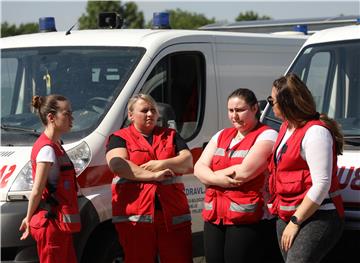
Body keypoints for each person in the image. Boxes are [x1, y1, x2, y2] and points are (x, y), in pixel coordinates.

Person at [105, 94, 193, 263]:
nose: (150, 114)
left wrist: (160, 164)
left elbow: (187, 162)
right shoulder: (119, 138)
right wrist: (153, 175)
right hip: (136, 218)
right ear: (131, 115)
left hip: (172, 215)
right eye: (144, 110)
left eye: (153, 110)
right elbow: (118, 165)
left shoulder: (171, 135)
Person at [267, 73, 345, 263]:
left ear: (286, 102)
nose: (269, 104)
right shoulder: (286, 128)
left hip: (318, 216)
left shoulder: (315, 132)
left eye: (272, 99)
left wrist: (296, 221)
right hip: (287, 214)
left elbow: (322, 184)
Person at [194, 88, 278, 263]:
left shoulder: (267, 135)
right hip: (215, 216)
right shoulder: (222, 134)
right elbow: (198, 168)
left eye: (240, 110)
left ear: (255, 108)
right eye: (231, 111)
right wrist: (218, 179)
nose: (234, 116)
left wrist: (208, 177)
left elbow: (244, 172)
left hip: (247, 219)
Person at [19, 94, 81, 263]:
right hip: (51, 225)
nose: (71, 118)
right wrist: (28, 218)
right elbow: (37, 190)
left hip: (59, 225)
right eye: (66, 113)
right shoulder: (47, 149)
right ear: (51, 117)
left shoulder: (55, 144)